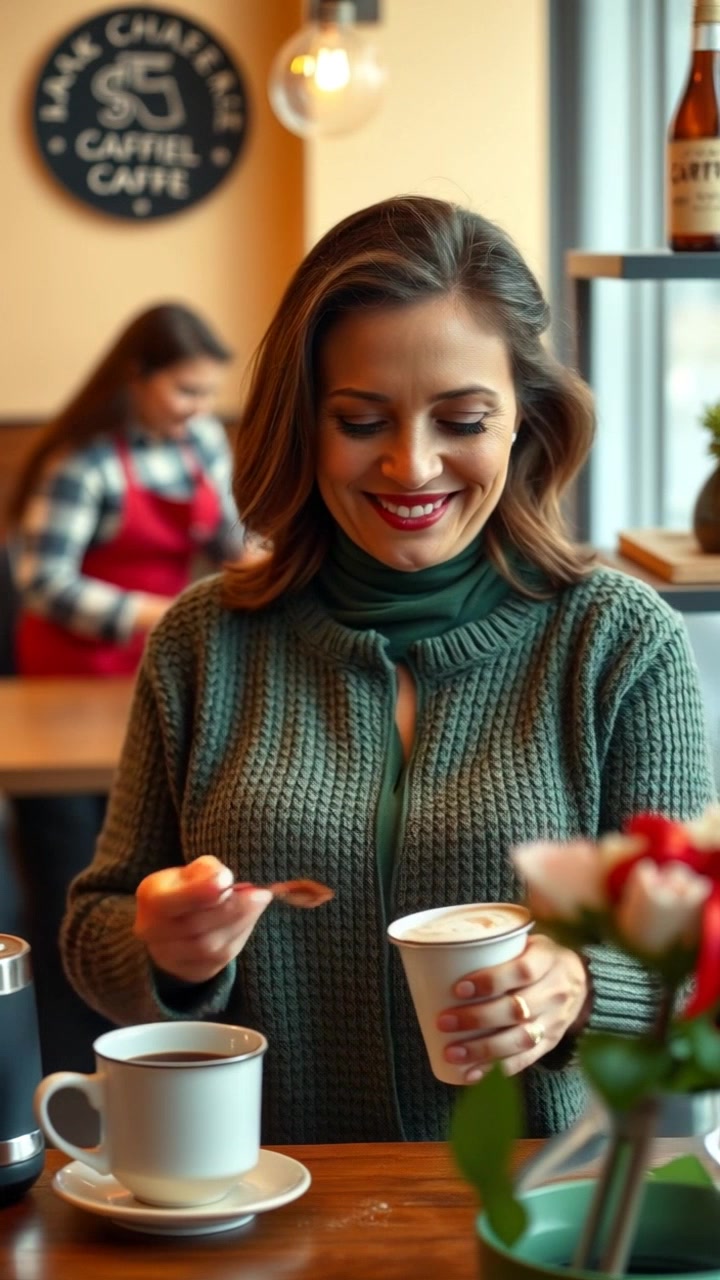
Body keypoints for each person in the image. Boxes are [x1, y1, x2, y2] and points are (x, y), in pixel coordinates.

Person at [61, 198, 716, 1145]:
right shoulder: (204, 641)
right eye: (362, 420)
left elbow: (695, 953)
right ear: (305, 421)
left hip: (525, 1217)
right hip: (254, 1204)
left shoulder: (615, 643)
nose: (412, 467)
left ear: (525, 420)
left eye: (462, 418)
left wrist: (582, 983)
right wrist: (161, 951)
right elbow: (95, 926)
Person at [6, 301, 244, 1080]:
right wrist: (155, 612)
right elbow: (41, 580)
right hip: (72, 679)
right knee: (72, 873)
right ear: (137, 381)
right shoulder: (86, 462)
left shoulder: (203, 443)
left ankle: (152, 1044)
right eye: (185, 391)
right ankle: (60, 1054)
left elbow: (227, 540)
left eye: (208, 393)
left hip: (154, 676)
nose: (201, 410)